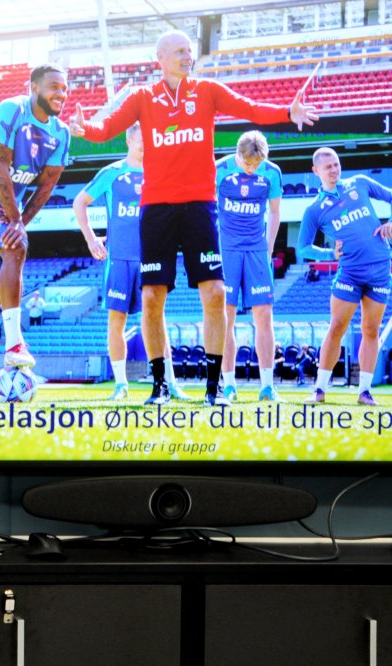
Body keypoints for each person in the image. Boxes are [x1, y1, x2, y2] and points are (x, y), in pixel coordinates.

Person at [68, 29, 318, 406]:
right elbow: (106, 131)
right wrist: (83, 128)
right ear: (161, 58)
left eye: (190, 50)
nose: (189, 56)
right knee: (152, 296)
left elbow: (248, 108)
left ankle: (214, 387)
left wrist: (287, 113)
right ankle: (159, 386)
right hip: (156, 210)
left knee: (216, 293)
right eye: (181, 51)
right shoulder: (141, 97)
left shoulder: (207, 91)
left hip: (201, 207)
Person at [0, 64, 71, 401]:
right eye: (54, 87)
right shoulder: (12, 109)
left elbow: (46, 186)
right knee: (16, 247)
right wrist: (14, 221)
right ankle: (15, 343)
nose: (61, 94)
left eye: (65, 89)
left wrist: (20, 220)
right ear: (33, 87)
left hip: (7, 213)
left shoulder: (61, 133)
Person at [73, 122, 191, 402]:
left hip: (152, 258)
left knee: (158, 321)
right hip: (119, 260)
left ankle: (170, 383)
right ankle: (121, 384)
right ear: (129, 140)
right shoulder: (112, 174)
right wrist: (91, 239)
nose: (146, 147)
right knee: (117, 321)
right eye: (141, 142)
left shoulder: (161, 173)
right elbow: (80, 202)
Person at [298, 147, 392, 405]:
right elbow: (303, 247)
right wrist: (330, 253)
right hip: (349, 272)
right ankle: (319, 389)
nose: (334, 169)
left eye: (336, 164)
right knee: (337, 327)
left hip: (381, 269)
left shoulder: (359, 183)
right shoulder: (314, 210)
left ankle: (365, 391)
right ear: (315, 171)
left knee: (371, 330)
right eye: (327, 166)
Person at [215, 130, 283, 403]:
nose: (252, 169)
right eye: (247, 164)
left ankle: (267, 386)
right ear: (237, 155)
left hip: (256, 251)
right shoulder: (218, 170)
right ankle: (229, 385)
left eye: (256, 165)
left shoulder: (272, 173)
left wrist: (267, 249)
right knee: (225, 320)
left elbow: (276, 212)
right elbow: (207, 208)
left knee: (264, 317)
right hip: (227, 251)